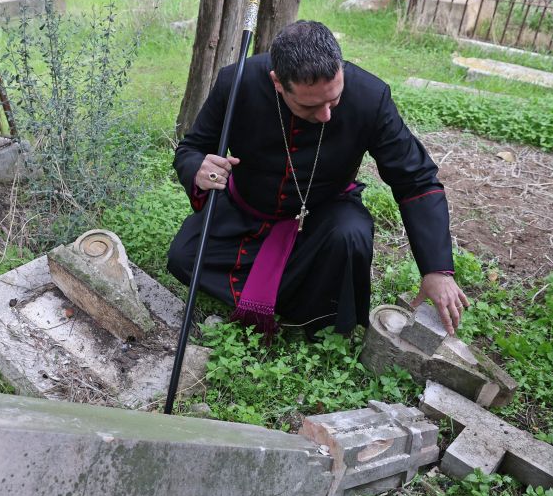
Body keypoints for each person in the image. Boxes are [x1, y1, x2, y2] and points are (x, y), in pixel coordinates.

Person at [167, 20, 468, 337]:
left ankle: (308, 313)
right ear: (278, 83)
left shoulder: (370, 97)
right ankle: (300, 299)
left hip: (321, 219)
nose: (326, 114)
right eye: (310, 105)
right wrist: (198, 167)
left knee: (351, 234)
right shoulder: (237, 81)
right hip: (246, 213)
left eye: (334, 99)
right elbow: (192, 148)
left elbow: (417, 179)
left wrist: (436, 269)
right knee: (184, 258)